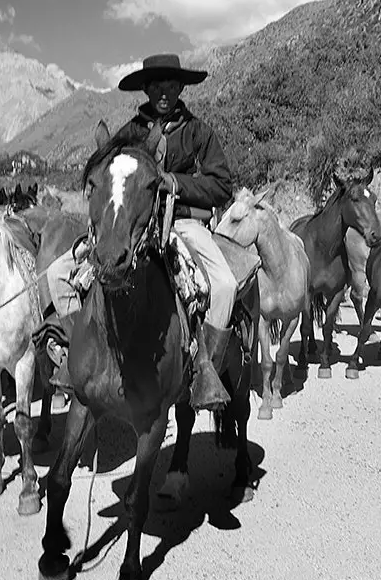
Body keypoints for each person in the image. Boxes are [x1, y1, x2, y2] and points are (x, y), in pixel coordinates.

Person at [46, 53, 245, 410]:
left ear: (181, 87)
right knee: (58, 274)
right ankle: (76, 358)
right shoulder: (132, 132)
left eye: (170, 85)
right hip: (131, 226)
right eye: (156, 85)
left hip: (182, 221)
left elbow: (221, 185)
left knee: (225, 286)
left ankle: (205, 372)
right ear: (147, 89)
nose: (163, 92)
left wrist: (175, 183)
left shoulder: (198, 131)